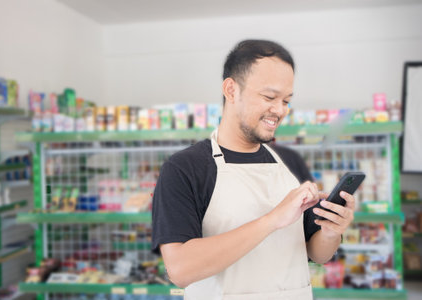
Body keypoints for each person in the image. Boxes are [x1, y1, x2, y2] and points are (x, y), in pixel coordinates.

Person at [152, 39, 355, 300]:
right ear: (231, 89)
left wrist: (331, 231)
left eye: (286, 100)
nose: (280, 110)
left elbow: (317, 253)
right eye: (269, 97)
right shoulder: (184, 168)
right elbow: (180, 270)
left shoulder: (290, 162)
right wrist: (272, 219)